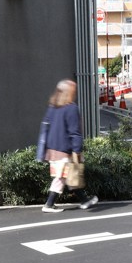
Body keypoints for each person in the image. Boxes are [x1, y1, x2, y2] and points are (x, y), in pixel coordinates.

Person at [36, 79, 97, 213]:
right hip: (64, 150)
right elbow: (75, 132)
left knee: (69, 175)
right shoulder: (71, 108)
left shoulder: (52, 107)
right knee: (62, 177)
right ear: (70, 93)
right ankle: (49, 204)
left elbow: (45, 129)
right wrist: (77, 150)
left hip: (52, 150)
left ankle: (84, 201)